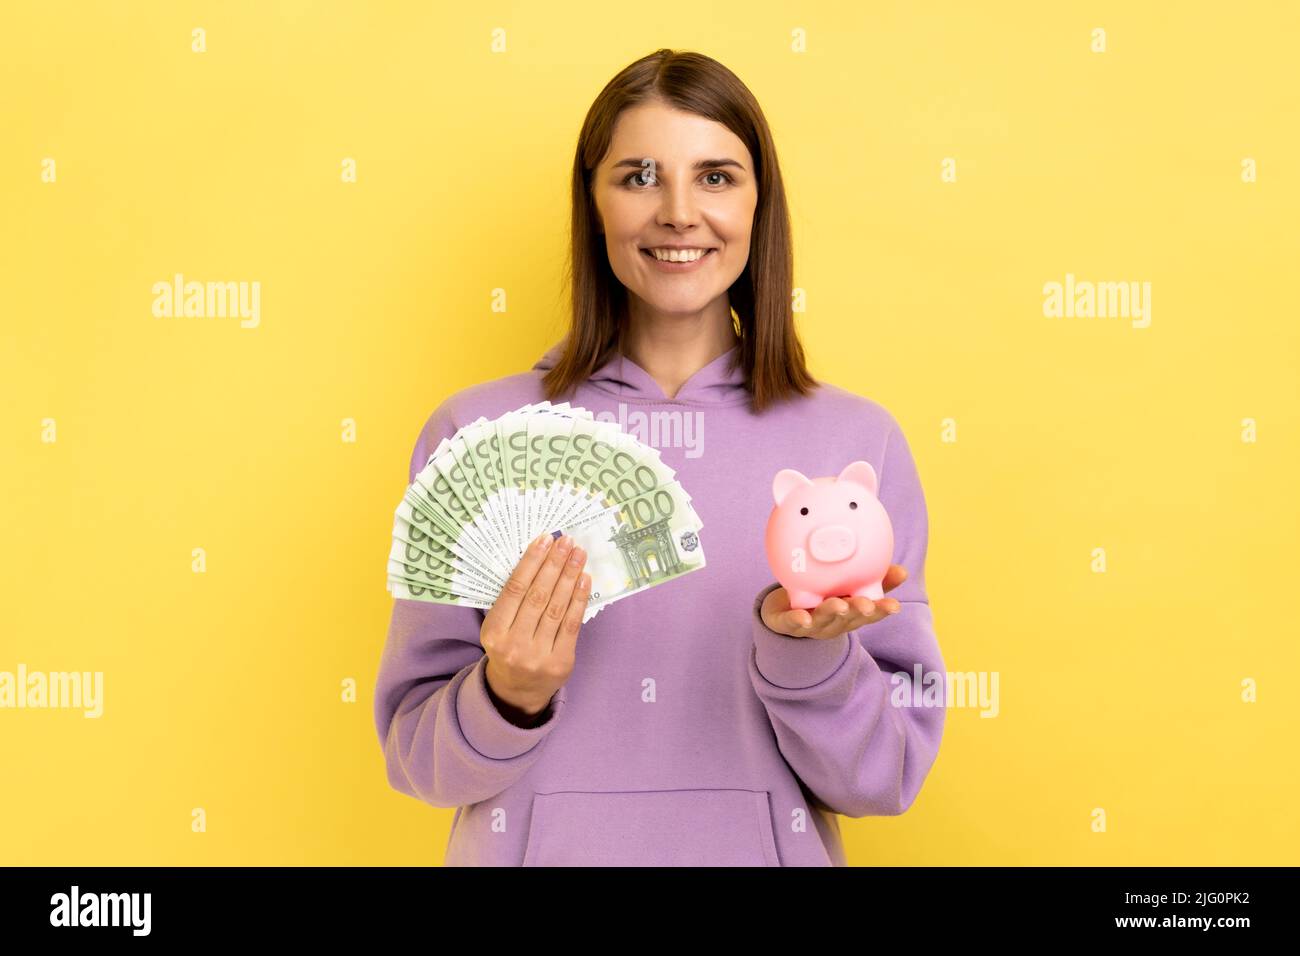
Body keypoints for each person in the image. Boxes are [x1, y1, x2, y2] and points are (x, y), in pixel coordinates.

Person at [373, 48, 945, 866]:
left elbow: (885, 776)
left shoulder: (854, 444)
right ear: (593, 202)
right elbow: (416, 761)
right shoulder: (476, 429)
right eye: (638, 176)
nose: (679, 212)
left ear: (760, 205)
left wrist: (809, 658)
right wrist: (511, 695)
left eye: (716, 177)